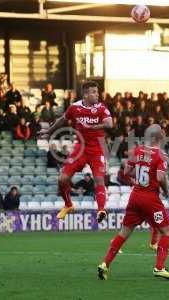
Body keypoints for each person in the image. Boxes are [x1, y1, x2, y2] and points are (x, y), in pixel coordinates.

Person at [97, 124, 169, 280]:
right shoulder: (161, 155)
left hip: (135, 196)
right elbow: (160, 178)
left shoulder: (137, 150)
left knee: (124, 233)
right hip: (150, 199)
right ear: (160, 137)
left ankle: (105, 264)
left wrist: (140, 176)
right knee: (167, 232)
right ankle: (159, 268)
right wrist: (166, 190)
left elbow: (126, 172)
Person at [38, 81, 113, 223]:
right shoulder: (75, 108)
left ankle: (101, 210)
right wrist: (48, 131)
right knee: (62, 179)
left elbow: (110, 124)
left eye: (97, 92)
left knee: (99, 180)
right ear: (85, 94)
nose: (97, 95)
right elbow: (62, 120)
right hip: (80, 149)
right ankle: (68, 204)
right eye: (94, 92)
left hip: (97, 149)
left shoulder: (101, 107)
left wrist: (92, 127)